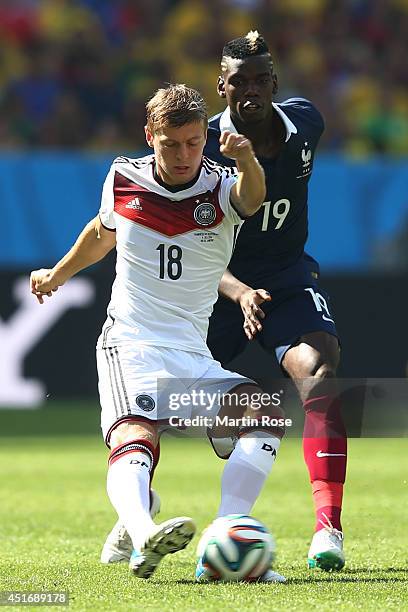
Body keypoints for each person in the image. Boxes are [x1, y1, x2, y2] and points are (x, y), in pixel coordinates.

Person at [30, 84, 285, 582]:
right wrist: (58, 274)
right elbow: (101, 234)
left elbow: (252, 199)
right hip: (132, 343)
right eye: (171, 144)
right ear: (151, 136)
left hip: (192, 353)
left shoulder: (220, 185)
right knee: (137, 435)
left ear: (205, 138)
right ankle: (144, 529)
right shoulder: (123, 177)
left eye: (193, 142)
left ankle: (229, 528)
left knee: (264, 414)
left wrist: (249, 158)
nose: (184, 154)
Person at [203, 31, 347, 572]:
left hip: (285, 280)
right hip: (212, 288)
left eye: (261, 79)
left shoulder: (305, 123)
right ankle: (136, 515)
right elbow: (180, 240)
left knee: (320, 375)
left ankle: (327, 528)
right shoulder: (199, 147)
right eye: (239, 82)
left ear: (275, 84)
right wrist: (237, 291)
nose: (251, 91)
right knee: (156, 400)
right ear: (222, 87)